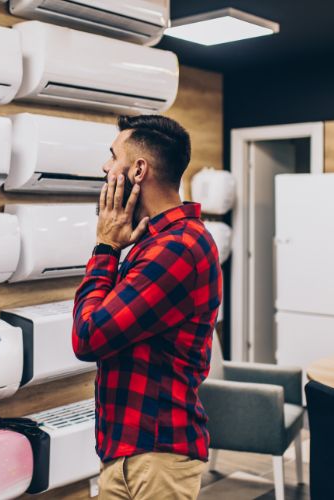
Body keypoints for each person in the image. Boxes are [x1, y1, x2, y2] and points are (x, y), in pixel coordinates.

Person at [72, 115, 222, 499]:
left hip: (157, 454)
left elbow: (89, 336)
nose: (106, 168)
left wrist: (105, 248)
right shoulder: (154, 243)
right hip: (129, 450)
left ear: (139, 170)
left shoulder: (178, 248)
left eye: (113, 156)